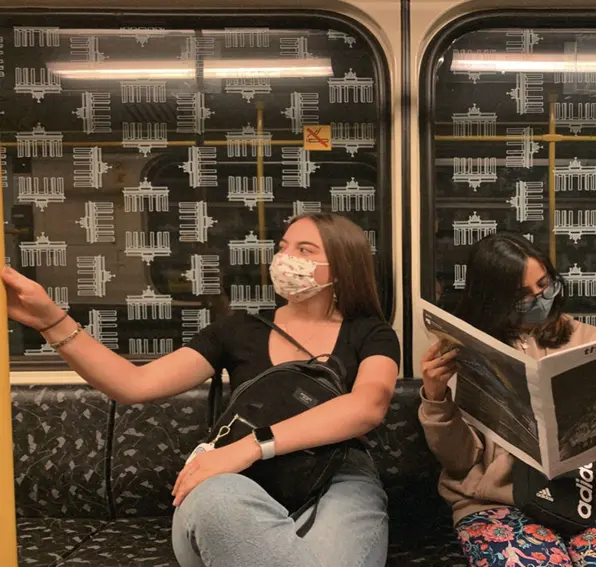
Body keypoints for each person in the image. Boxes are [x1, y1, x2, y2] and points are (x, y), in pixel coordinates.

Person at [3, 212, 400, 567]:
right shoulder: (237, 330)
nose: (285, 258)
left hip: (336, 477)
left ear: (341, 267)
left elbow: (367, 406)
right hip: (237, 481)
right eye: (283, 247)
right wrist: (51, 321)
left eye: (304, 250)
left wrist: (251, 446)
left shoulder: (371, 333)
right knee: (216, 496)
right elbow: (134, 385)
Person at [419, 233, 596, 567]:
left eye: (545, 284)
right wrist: (436, 398)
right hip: (495, 500)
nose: (540, 299)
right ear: (494, 299)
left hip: (589, 496)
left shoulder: (591, 341)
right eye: (522, 295)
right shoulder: (462, 350)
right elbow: (460, 461)